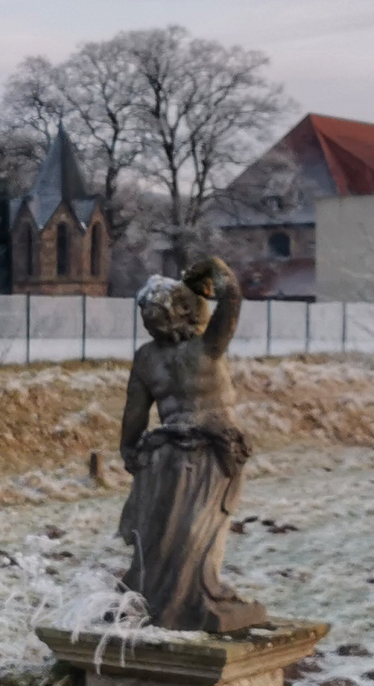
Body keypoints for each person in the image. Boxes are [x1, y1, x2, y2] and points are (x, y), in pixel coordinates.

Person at [115, 257, 269, 633]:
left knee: (165, 533)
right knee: (194, 535)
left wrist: (129, 449)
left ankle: (162, 602)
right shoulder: (205, 347)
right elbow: (232, 301)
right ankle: (192, 601)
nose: (149, 324)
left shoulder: (150, 357)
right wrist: (216, 270)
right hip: (204, 456)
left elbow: (134, 414)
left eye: (152, 317)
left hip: (167, 454)